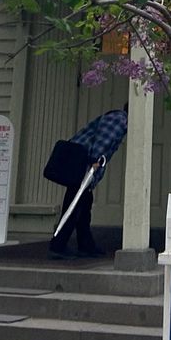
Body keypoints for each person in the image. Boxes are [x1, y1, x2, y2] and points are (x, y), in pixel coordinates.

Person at [51, 104, 129, 258]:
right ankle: (57, 245)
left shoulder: (116, 118)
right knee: (74, 205)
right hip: (83, 164)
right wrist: (94, 161)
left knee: (84, 204)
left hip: (82, 163)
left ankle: (85, 244)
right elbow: (104, 140)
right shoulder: (120, 119)